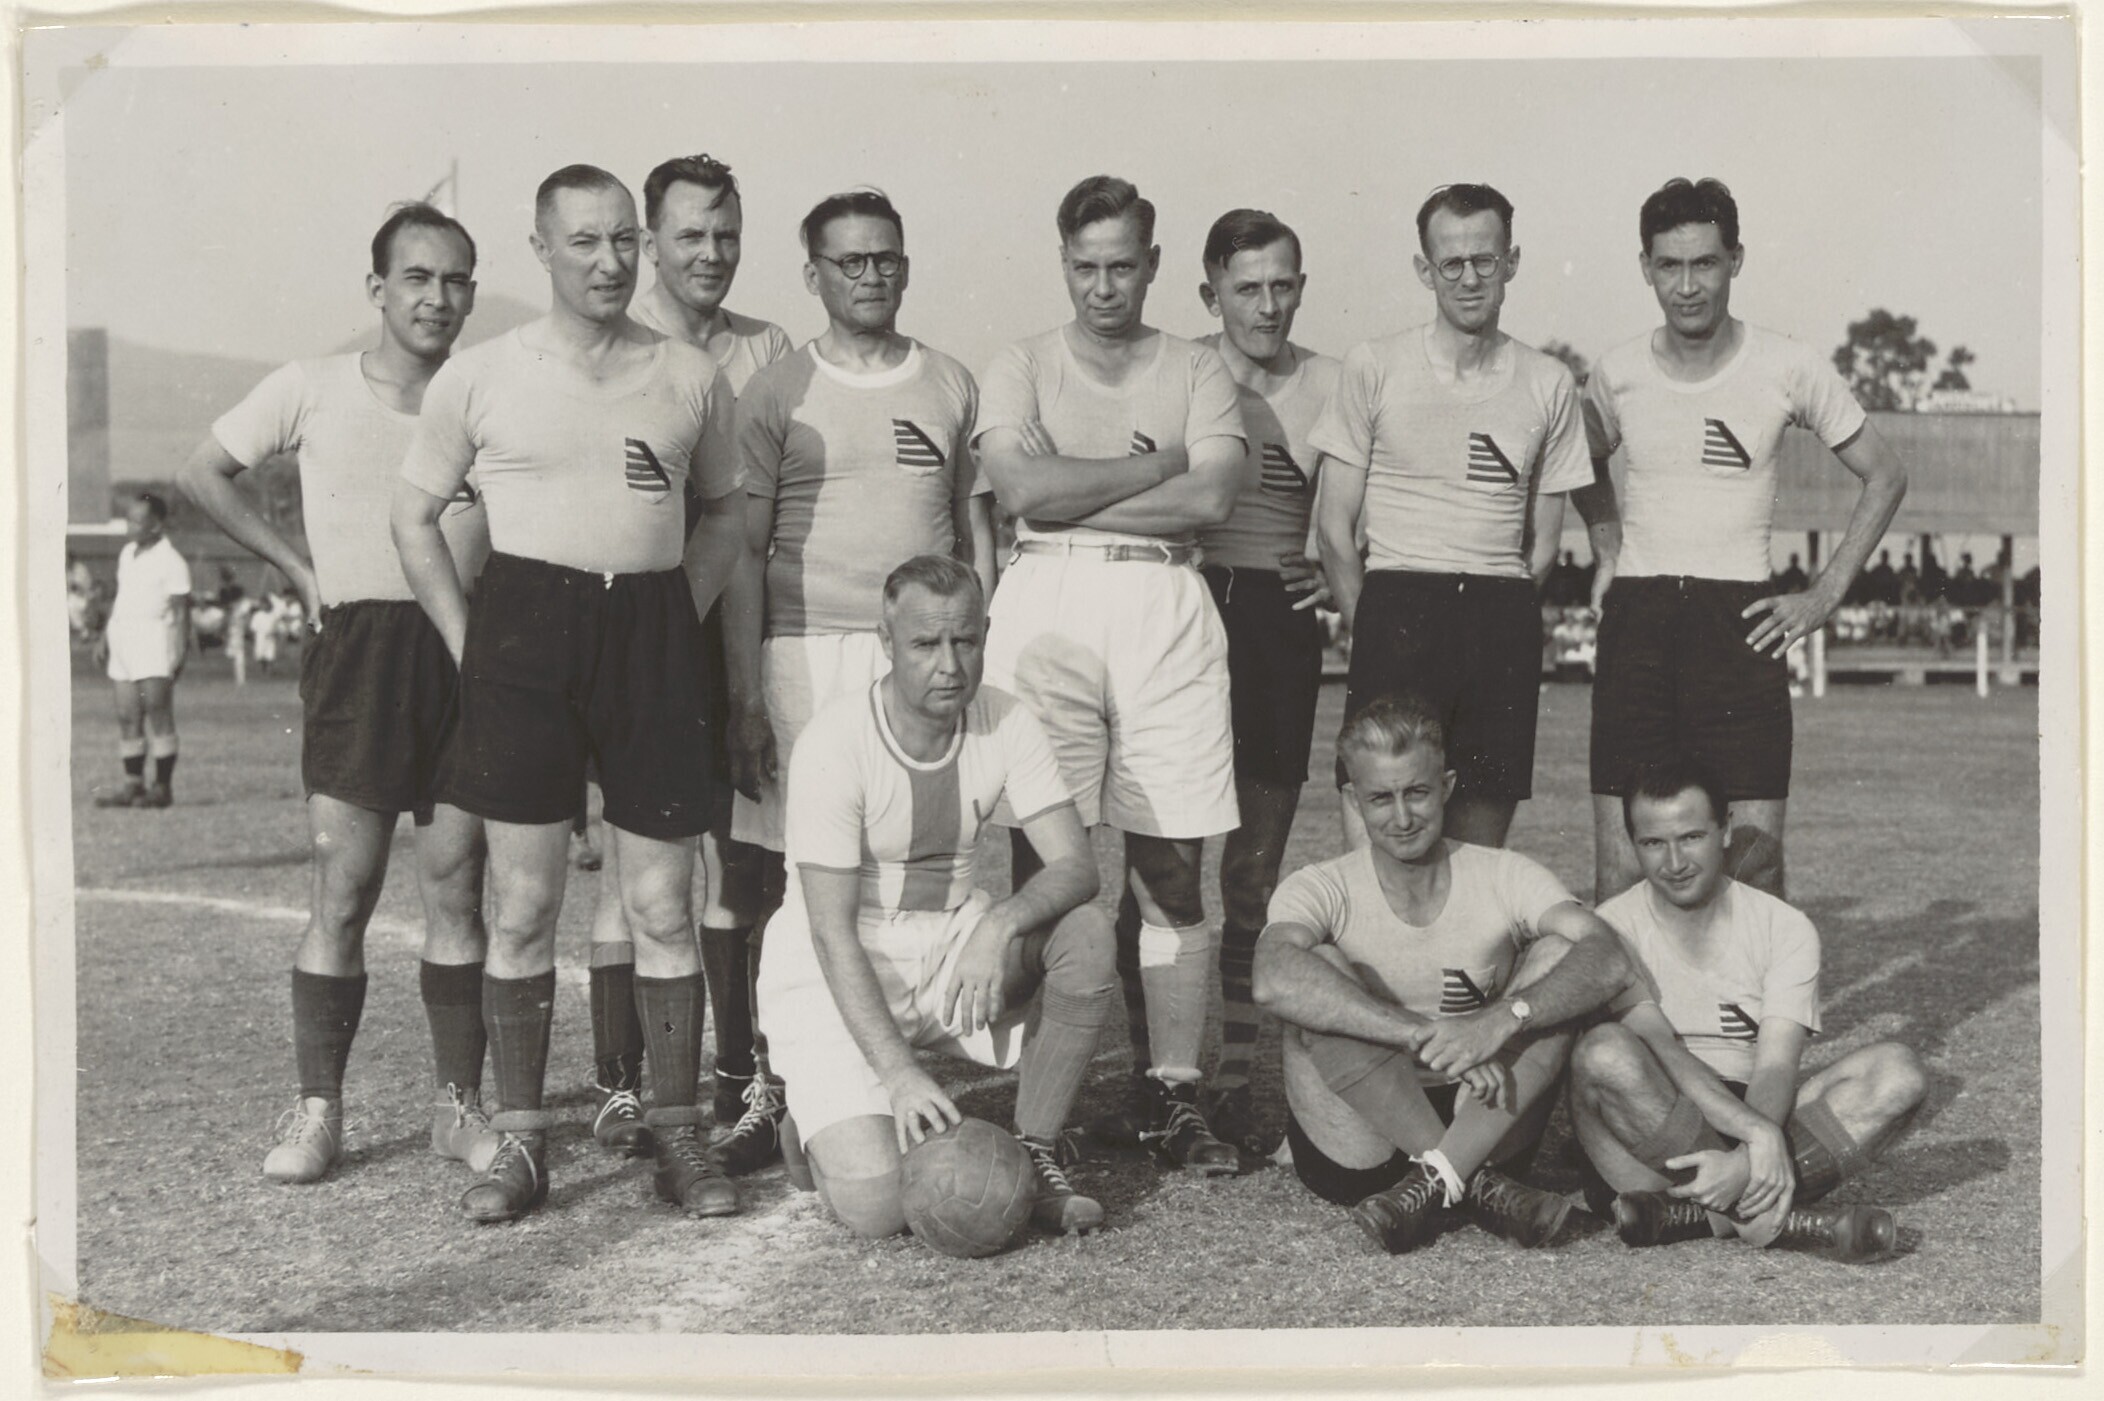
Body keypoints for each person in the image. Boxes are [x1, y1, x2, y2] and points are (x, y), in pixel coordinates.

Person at [393, 164, 756, 1224]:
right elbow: (412, 518)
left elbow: (728, 515)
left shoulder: (690, 375)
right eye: (585, 242)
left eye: (624, 241)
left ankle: (678, 1133)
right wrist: (473, 646)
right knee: (524, 904)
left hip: (650, 634)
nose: (609, 262)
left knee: (661, 902)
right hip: (523, 633)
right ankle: (521, 1142)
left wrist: (672, 614)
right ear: (542, 249)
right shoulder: (482, 375)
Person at [178, 202, 499, 1186]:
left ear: (472, 295)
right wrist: (295, 569)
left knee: (456, 887)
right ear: (377, 289)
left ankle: (457, 1106)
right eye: (417, 277)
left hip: (466, 654)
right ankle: (319, 1108)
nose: (436, 297)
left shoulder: (490, 396)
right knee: (344, 888)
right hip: (360, 651)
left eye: (454, 280)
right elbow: (204, 472)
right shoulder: (312, 385)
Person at [973, 174, 1248, 1175]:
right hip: (1044, 604)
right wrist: (1154, 466)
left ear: (1153, 263)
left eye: (1122, 266)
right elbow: (1017, 490)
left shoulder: (1196, 366)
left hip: (1164, 602)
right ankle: (1045, 1103)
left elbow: (1211, 499)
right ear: (1063, 263)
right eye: (1085, 267)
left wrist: (1068, 493)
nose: (1103, 287)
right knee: (1047, 867)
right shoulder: (1021, 363)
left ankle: (1171, 1091)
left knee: (1173, 869)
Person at [725, 187, 995, 1175]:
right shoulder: (776, 391)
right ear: (814, 275)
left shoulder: (950, 381)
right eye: (850, 261)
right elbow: (744, 551)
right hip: (807, 650)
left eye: (886, 258)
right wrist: (747, 691)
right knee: (799, 874)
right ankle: (788, 1083)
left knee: (911, 856)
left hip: (921, 654)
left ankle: (895, 1067)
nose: (871, 275)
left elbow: (975, 533)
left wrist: (978, 643)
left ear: (905, 266)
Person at [757, 554, 1115, 1240]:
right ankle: (810, 1120)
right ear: (886, 641)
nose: (950, 664)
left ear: (985, 636)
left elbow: (1077, 865)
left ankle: (1037, 1151)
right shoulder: (835, 742)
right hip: (839, 959)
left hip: (953, 939)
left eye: (965, 641)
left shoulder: (1005, 719)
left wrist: (999, 923)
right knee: (880, 1208)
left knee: (1085, 932)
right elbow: (830, 932)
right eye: (925, 643)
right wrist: (898, 1074)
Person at [1577, 178, 1907, 903]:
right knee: (1622, 873)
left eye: (1705, 263)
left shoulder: (1786, 365)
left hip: (1740, 625)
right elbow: (1583, 457)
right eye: (1670, 265)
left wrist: (1824, 594)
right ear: (1645, 267)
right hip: (1638, 622)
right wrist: (1607, 545)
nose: (1687, 286)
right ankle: (1628, 988)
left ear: (1736, 260)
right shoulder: (1618, 370)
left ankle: (1750, 986)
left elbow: (1884, 474)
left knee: (1753, 868)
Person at [576, 153, 796, 1173]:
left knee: (739, 854)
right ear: (650, 242)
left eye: (726, 234)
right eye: (689, 235)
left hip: (730, 615)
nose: (711, 253)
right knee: (635, 863)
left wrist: (745, 682)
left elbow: (746, 531)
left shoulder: (769, 348)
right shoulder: (618, 343)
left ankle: (738, 1071)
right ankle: (619, 1079)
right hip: (636, 626)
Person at [1252, 693, 1633, 1254]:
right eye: (1380, 798)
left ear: (1447, 786)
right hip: (1361, 1147)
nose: (1402, 817)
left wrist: (1502, 1018)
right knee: (1316, 967)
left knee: (1559, 953)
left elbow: (1609, 956)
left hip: (1479, 1120)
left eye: (1417, 793)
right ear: (1354, 799)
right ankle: (1472, 1185)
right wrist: (1423, 1035)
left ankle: (1441, 1180)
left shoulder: (1503, 873)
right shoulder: (1321, 884)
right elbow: (1272, 979)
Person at [1311, 184, 1593, 854]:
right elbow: (1334, 528)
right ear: (1425, 269)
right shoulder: (1375, 365)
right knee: (1380, 838)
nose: (1469, 278)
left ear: (1511, 261)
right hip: (1398, 606)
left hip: (1499, 615)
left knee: (1478, 850)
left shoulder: (1549, 381)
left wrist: (1497, 609)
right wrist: (1373, 628)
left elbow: (1542, 545)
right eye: (1452, 263)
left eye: (1485, 261)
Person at [1569, 758, 1926, 1257]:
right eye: (1653, 843)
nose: (1675, 862)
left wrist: (1743, 1157)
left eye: (1692, 837)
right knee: (1603, 1052)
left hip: (1749, 1112)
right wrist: (1757, 1137)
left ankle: (1697, 1215)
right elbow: (1661, 1048)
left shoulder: (1785, 927)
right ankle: (1779, 1220)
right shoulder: (1611, 928)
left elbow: (1776, 1066)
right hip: (1651, 1119)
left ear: (1726, 830)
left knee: (1897, 1072)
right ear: (1632, 844)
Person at [1176, 208, 1340, 1156]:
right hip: (1188, 610)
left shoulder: (1333, 383)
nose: (1268, 305)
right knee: (1166, 864)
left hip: (1278, 626)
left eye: (1283, 286)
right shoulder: (1178, 371)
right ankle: (1165, 1081)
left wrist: (1340, 563)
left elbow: (1373, 502)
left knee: (1252, 870)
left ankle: (1236, 1078)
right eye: (1248, 288)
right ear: (1211, 295)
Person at [92, 492, 190, 809]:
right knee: (127, 716)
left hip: (154, 640)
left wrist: (180, 649)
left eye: (137, 521)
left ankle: (162, 788)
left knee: (158, 714)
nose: (129, 526)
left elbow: (182, 611)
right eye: (128, 519)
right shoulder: (127, 553)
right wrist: (104, 637)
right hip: (123, 639)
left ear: (156, 525)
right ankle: (132, 785)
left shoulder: (172, 561)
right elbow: (122, 598)